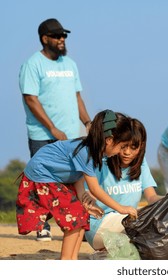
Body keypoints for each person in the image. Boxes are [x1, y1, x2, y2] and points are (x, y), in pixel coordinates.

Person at [16, 110, 138, 260]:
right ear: (109, 140)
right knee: (73, 218)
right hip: (42, 176)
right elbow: (94, 189)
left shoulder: (92, 151)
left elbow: (77, 174)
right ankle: (66, 261)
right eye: (122, 146)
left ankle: (72, 260)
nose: (121, 152)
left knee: (81, 216)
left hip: (54, 178)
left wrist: (82, 198)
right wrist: (121, 209)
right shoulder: (86, 152)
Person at [19, 18, 91, 241]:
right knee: (42, 182)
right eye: (57, 36)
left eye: (64, 36)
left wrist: (87, 123)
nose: (62, 39)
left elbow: (76, 95)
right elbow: (31, 99)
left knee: (73, 178)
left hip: (71, 135)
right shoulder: (33, 64)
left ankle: (72, 223)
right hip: (43, 135)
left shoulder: (69, 64)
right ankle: (42, 226)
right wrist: (52, 128)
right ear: (45, 39)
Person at [84, 117, 162, 252]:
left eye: (133, 147)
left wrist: (167, 202)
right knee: (148, 231)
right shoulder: (102, 163)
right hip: (99, 225)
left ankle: (109, 252)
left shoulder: (141, 164)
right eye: (124, 146)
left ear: (141, 146)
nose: (127, 152)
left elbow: (151, 197)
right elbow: (88, 192)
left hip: (128, 223)